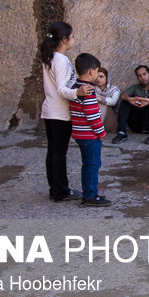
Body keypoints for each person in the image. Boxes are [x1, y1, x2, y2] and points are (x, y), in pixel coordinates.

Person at [39, 21, 94, 202]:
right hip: (60, 113)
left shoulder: (50, 57)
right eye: (72, 37)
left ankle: (55, 188)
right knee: (59, 153)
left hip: (50, 111)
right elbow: (63, 89)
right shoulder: (61, 60)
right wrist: (77, 92)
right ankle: (61, 191)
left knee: (53, 152)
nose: (73, 40)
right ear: (64, 40)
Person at [70, 53, 111, 207]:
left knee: (87, 164)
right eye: (97, 71)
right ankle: (90, 196)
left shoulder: (75, 87)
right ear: (92, 71)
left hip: (79, 133)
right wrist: (101, 132)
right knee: (92, 164)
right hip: (89, 135)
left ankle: (89, 193)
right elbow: (93, 114)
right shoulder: (88, 90)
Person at [112, 65, 149, 144]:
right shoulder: (135, 88)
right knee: (124, 102)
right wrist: (130, 99)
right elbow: (123, 95)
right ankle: (121, 133)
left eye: (144, 74)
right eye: (139, 76)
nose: (142, 77)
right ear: (137, 78)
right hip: (136, 125)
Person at [95, 66, 121, 131]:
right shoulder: (92, 88)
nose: (98, 79)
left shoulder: (114, 89)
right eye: (96, 77)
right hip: (94, 120)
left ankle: (98, 129)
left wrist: (99, 99)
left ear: (107, 78)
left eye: (101, 77)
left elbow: (113, 101)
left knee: (102, 104)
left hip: (110, 120)